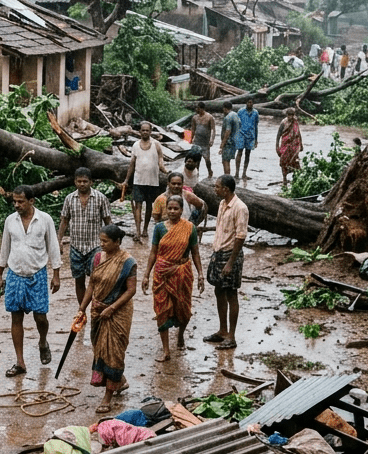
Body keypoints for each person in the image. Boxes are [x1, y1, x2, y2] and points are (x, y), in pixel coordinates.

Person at [0, 185, 61, 378]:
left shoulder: (45, 220)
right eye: (14, 201)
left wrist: (56, 274)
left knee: (40, 317)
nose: (16, 205)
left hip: (37, 274)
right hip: (15, 274)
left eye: (20, 201)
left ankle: (42, 341)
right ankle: (20, 362)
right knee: (16, 317)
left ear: (31, 201)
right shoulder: (10, 221)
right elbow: (4, 248)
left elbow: (53, 246)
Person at [76, 224, 137, 413]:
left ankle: (107, 398)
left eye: (105, 241)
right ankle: (120, 380)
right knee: (100, 348)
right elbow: (92, 286)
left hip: (118, 313)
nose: (101, 244)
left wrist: (112, 308)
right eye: (100, 240)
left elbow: (131, 290)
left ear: (117, 242)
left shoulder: (128, 262)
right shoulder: (97, 258)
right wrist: (82, 309)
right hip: (98, 312)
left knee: (114, 353)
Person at [143, 200, 204, 362]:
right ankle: (166, 350)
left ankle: (180, 335)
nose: (172, 211)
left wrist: (201, 274)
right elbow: (153, 252)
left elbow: (195, 253)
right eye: (169, 208)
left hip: (182, 272)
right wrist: (146, 274)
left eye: (175, 209)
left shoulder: (189, 228)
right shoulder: (159, 228)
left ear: (181, 210)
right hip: (162, 272)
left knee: (183, 307)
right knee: (162, 309)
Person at [204, 175, 248, 350]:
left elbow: (241, 236)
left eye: (217, 187)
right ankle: (222, 331)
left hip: (231, 255)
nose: (215, 189)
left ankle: (231, 336)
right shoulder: (223, 204)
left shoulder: (240, 208)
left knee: (231, 294)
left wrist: (231, 262)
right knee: (218, 290)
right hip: (219, 252)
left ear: (226, 189)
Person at [58, 167, 112, 304]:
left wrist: (112, 243)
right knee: (79, 279)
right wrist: (58, 241)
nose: (82, 184)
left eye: (85, 181)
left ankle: (96, 306)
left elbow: (107, 221)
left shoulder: (101, 198)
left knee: (98, 279)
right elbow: (64, 220)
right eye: (79, 181)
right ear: (75, 182)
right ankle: (82, 311)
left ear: (91, 182)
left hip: (95, 246)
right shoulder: (69, 199)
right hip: (76, 246)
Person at [121, 122, 164, 237]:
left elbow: (161, 159)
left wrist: (164, 169)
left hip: (152, 181)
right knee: (138, 205)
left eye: (147, 130)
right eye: (143, 130)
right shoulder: (135, 145)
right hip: (138, 180)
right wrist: (126, 180)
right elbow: (132, 164)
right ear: (139, 131)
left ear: (150, 132)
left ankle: (145, 229)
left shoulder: (156, 144)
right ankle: (138, 231)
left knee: (149, 205)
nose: (145, 132)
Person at [276, 108, 304, 187]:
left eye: (291, 115)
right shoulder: (283, 122)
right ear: (287, 115)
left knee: (295, 161)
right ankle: (284, 179)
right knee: (283, 161)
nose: (290, 117)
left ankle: (296, 180)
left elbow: (298, 133)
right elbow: (278, 135)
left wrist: (301, 144)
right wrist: (277, 147)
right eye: (289, 115)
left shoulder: (295, 122)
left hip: (294, 145)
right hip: (285, 145)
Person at [189, 102, 216, 177]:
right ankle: (196, 174)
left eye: (197, 108)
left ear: (202, 109)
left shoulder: (209, 117)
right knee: (196, 159)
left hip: (205, 142)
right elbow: (193, 129)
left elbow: (213, 130)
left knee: (207, 159)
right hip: (197, 141)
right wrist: (191, 139)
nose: (196, 109)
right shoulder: (195, 118)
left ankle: (210, 171)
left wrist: (212, 140)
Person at [234, 102, 260, 180]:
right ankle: (237, 173)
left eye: (251, 102)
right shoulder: (240, 111)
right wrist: (235, 135)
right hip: (241, 134)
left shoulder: (255, 113)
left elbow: (256, 126)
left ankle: (244, 173)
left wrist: (256, 139)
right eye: (248, 102)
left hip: (251, 136)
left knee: (247, 154)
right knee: (239, 152)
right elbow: (236, 124)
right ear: (246, 103)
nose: (250, 104)